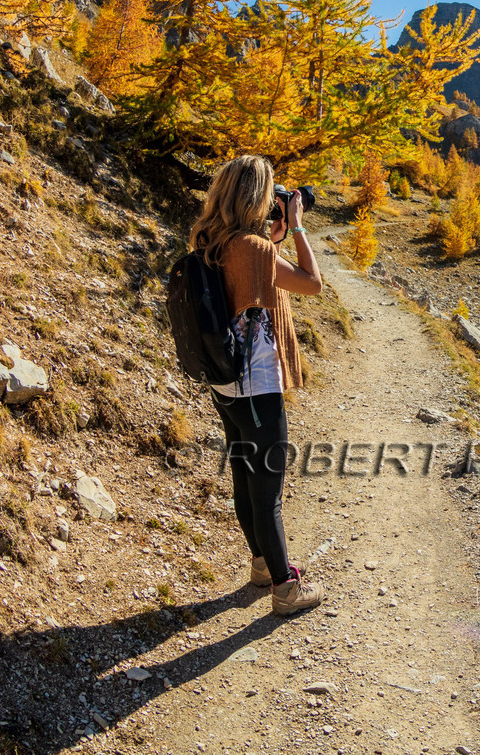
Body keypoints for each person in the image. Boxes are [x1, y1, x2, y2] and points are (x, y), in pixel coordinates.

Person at [187, 155, 325, 615]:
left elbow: (250, 278)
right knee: (268, 492)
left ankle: (263, 564)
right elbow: (312, 283)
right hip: (256, 385)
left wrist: (273, 240)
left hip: (226, 382)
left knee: (245, 478)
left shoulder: (211, 238)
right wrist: (298, 227)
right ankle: (286, 588)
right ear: (255, 197)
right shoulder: (253, 248)